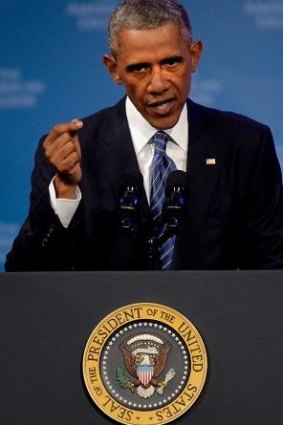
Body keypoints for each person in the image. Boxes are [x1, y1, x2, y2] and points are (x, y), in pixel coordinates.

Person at [5, 0, 283, 271]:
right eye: (140, 68)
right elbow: (25, 273)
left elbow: (272, 266)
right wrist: (65, 193)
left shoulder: (246, 144)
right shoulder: (73, 151)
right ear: (114, 70)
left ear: (194, 55)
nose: (158, 83)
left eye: (171, 63)